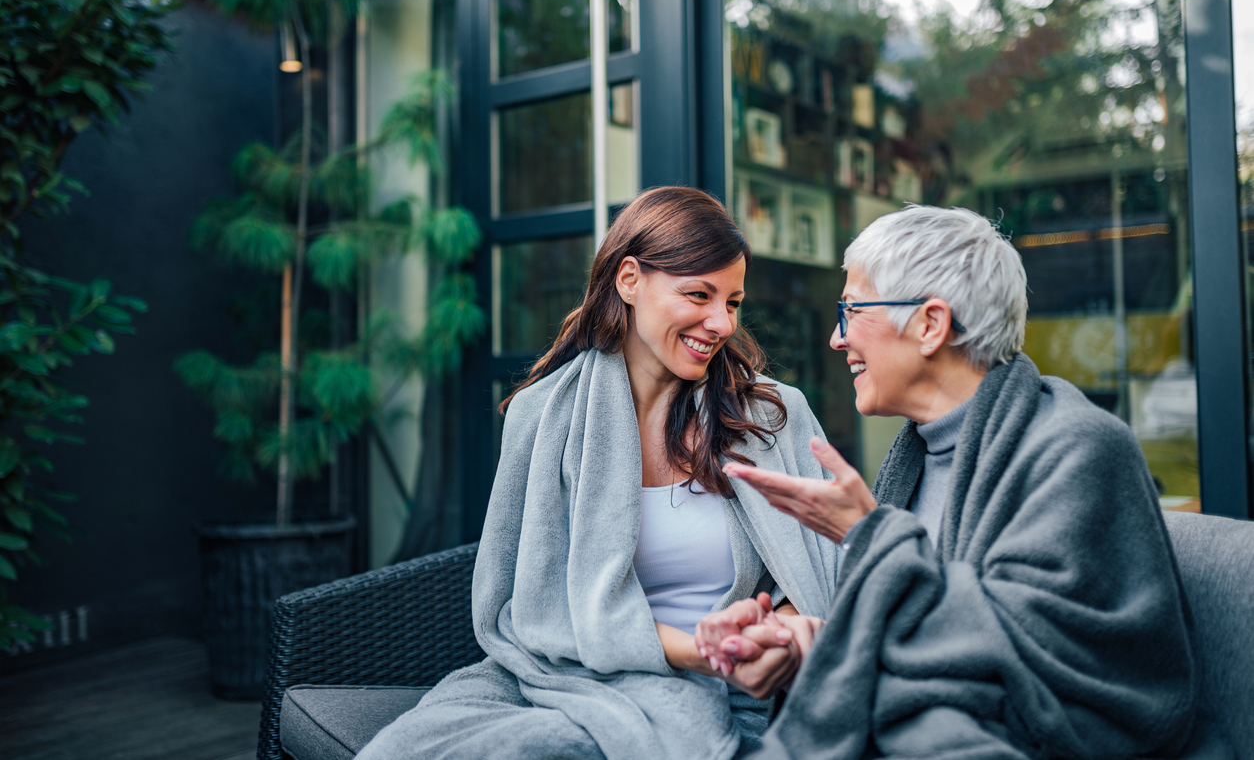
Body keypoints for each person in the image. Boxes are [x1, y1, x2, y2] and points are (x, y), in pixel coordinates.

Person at [697, 204, 1224, 759]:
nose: (836, 338)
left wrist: (870, 535)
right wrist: (803, 644)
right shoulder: (918, 458)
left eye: (851, 311)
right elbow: (923, 634)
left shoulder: (1080, 448)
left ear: (929, 324)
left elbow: (1026, 657)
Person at [355, 187, 839, 760]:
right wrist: (703, 649)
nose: (720, 323)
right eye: (698, 295)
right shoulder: (544, 416)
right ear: (629, 280)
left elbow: (821, 567)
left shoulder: (770, 417)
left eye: (732, 302)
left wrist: (774, 636)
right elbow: (532, 608)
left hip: (736, 694)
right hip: (570, 678)